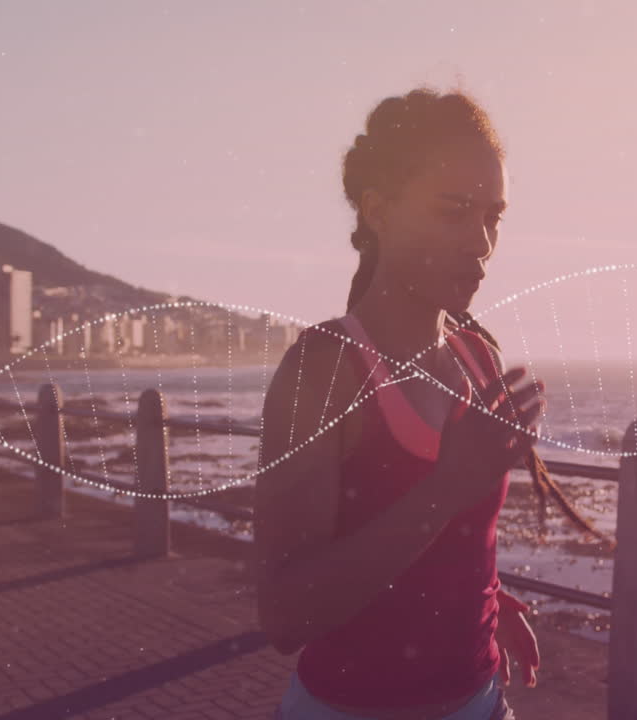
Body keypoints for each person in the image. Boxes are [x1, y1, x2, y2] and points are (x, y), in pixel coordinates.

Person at [255, 86, 609, 720]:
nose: (481, 242)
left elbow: (463, 542)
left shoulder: (480, 356)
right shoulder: (324, 370)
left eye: (492, 217)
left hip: (480, 700)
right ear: (379, 210)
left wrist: (491, 603)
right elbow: (287, 613)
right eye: (453, 211)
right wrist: (447, 486)